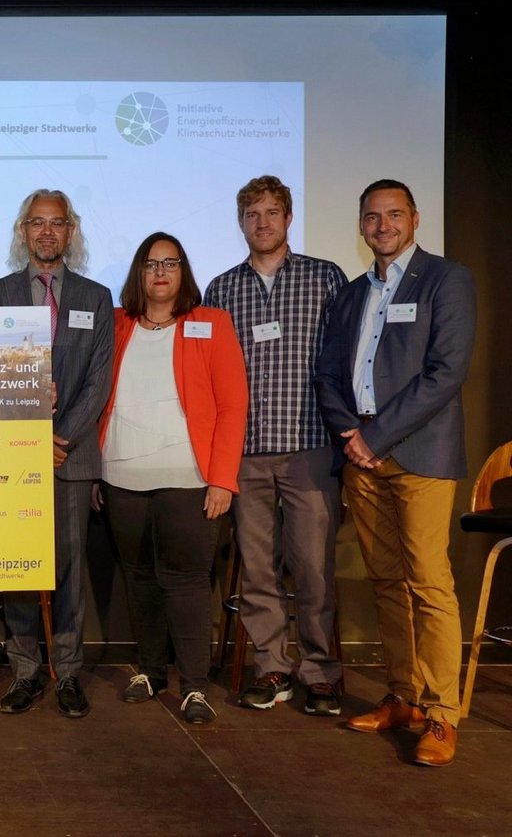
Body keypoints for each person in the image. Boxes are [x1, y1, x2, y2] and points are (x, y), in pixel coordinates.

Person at [314, 179, 475, 766]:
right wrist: (352, 437)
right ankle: (405, 695)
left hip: (420, 455)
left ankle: (441, 714)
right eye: (372, 217)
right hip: (363, 457)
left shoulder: (446, 280)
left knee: (429, 582)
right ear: (360, 225)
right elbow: (327, 375)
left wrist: (376, 436)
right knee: (386, 582)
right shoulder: (352, 294)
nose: (383, 226)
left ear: (415, 219)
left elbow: (447, 371)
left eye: (394, 215)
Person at [203, 175, 347, 716]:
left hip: (310, 446)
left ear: (288, 217)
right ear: (240, 223)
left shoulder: (325, 278)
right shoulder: (221, 289)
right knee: (258, 570)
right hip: (244, 452)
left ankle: (321, 673)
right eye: (252, 214)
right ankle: (272, 668)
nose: (262, 223)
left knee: (313, 569)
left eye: (272, 212)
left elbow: (344, 361)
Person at [98, 232, 247, 724]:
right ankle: (151, 670)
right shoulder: (116, 324)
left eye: (171, 263)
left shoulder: (211, 323)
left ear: (184, 273)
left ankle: (196, 685)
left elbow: (231, 405)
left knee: (184, 582)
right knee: (139, 578)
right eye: (151, 264)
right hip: (121, 474)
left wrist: (222, 479)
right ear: (138, 273)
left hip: (188, 477)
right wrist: (96, 470)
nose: (160, 272)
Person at [0, 189, 113, 719]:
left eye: (56, 223)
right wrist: (26, 440)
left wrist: (61, 439)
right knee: (18, 564)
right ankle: (24, 670)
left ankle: (67, 672)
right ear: (21, 231)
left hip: (70, 455)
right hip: (10, 456)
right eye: (36, 223)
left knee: (66, 565)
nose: (46, 232)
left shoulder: (95, 297)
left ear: (71, 232)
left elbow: (99, 381)